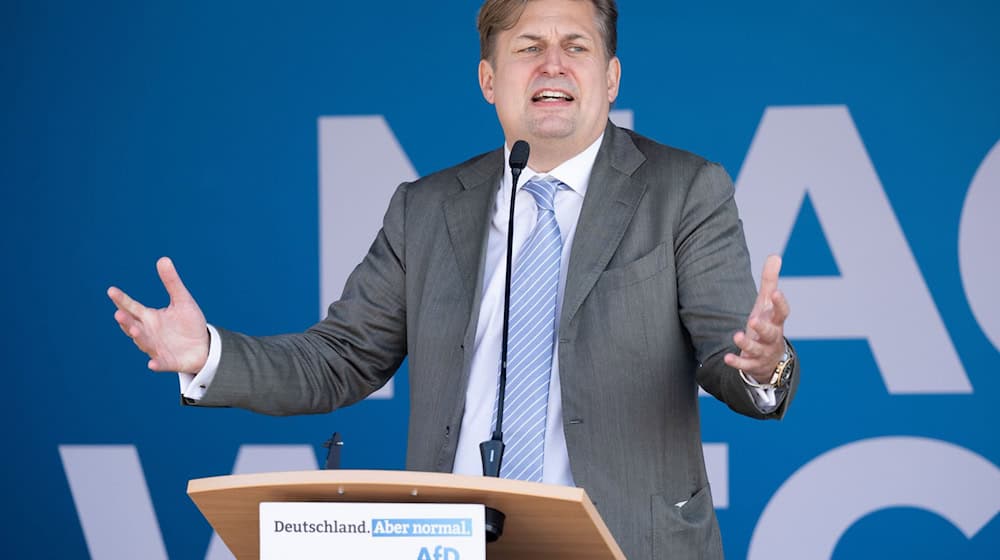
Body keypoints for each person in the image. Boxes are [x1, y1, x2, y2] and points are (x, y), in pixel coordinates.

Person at [108, 0, 798, 557]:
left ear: (611, 77)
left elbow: (727, 355)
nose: (552, 63)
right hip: (446, 542)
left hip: (625, 543)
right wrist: (208, 355)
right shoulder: (427, 207)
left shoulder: (684, 191)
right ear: (489, 80)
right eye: (528, 46)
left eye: (576, 45)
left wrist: (761, 364)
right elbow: (341, 359)